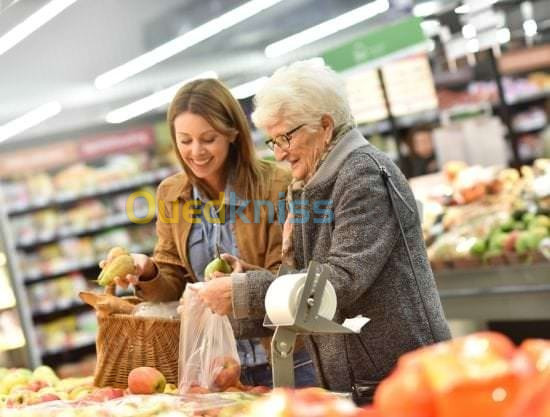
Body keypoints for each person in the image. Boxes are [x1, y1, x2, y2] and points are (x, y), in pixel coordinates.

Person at [196, 60, 451, 402]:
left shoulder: (362, 175)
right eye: (272, 141)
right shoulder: (310, 182)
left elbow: (339, 281)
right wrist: (244, 287)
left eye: (286, 136)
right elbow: (306, 281)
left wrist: (244, 293)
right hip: (360, 377)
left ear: (326, 126)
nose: (280, 153)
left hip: (397, 377)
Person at [100, 78, 316, 388]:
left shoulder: (278, 186)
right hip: (215, 365)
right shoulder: (171, 193)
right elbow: (174, 278)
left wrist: (239, 286)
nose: (196, 151)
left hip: (285, 359)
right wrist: (145, 270)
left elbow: (290, 275)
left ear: (232, 134)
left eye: (208, 138)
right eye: (185, 140)